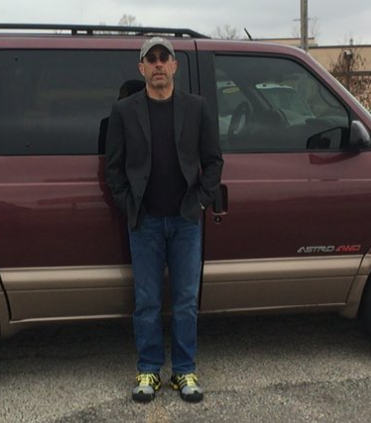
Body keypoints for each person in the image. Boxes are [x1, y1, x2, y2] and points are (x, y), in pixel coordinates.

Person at [104, 37, 223, 403]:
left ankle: (185, 372)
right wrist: (128, 205)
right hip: (145, 222)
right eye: (150, 59)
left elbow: (213, 161)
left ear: (174, 66)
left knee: (186, 300)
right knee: (147, 301)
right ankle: (149, 371)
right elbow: (114, 169)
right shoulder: (124, 111)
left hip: (186, 220)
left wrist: (200, 201)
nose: (158, 64)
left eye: (164, 58)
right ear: (142, 68)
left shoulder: (197, 108)